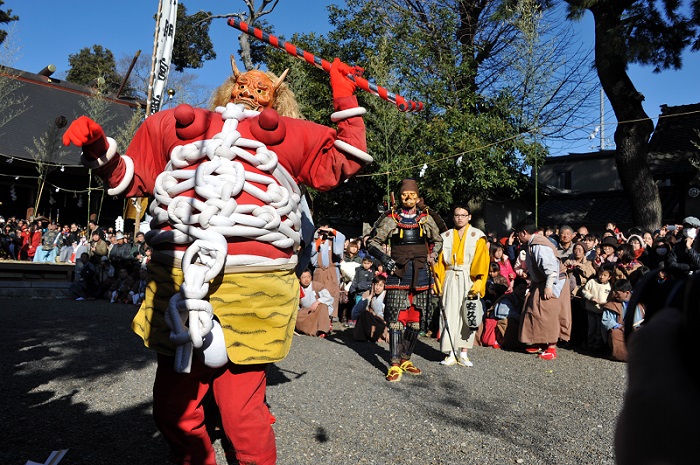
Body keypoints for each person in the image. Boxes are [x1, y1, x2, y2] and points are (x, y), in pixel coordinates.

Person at [62, 56, 371, 465]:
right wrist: (99, 148)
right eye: (244, 83)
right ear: (230, 85)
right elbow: (132, 178)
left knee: (242, 414)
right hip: (178, 281)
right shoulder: (177, 125)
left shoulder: (293, 136)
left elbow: (345, 159)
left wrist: (343, 92)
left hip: (255, 289)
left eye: (263, 88)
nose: (250, 92)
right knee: (173, 410)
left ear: (277, 95)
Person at [367, 178, 443, 382]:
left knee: (416, 321)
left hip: (421, 271)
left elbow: (438, 240)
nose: (408, 198)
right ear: (399, 197)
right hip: (398, 271)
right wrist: (384, 258)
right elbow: (372, 242)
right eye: (404, 195)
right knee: (396, 320)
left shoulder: (426, 219)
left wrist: (432, 255)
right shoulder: (391, 219)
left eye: (412, 195)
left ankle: (406, 359)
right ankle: (393, 363)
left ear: (418, 197)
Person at [433, 205, 489, 367]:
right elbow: (440, 263)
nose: (460, 218)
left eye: (463, 215)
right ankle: (450, 352)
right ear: (453, 217)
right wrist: (438, 283)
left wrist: (478, 284)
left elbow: (482, 262)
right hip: (450, 276)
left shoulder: (477, 236)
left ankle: (463, 352)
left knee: (468, 313)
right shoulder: (445, 236)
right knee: (449, 314)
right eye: (457, 215)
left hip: (468, 277)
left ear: (469, 217)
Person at [515, 222, 572, 360]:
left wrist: (548, 286)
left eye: (518, 235)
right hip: (542, 281)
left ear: (523, 233)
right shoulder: (533, 244)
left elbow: (550, 267)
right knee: (534, 310)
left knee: (548, 312)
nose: (517, 238)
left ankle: (551, 347)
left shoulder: (539, 245)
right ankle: (540, 341)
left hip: (553, 281)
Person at [601, 279, 644, 362]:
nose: (615, 295)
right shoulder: (612, 303)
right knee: (615, 334)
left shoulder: (640, 299)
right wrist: (619, 326)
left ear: (627, 293)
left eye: (618, 293)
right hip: (620, 329)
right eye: (615, 292)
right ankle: (622, 356)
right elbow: (606, 319)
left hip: (637, 328)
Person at [310, 221, 346, 321]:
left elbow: (341, 238)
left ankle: (331, 316)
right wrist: (320, 239)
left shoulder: (334, 238)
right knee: (318, 293)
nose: (324, 231)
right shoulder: (317, 240)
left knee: (332, 293)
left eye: (326, 229)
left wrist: (331, 231)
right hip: (319, 270)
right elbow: (312, 251)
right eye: (322, 229)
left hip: (331, 270)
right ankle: (318, 315)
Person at [580, 267, 612, 352]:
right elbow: (584, 291)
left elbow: (610, 298)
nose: (601, 277)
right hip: (591, 309)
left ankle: (597, 346)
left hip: (601, 311)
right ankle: (590, 344)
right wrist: (591, 297)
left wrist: (605, 303)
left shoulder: (609, 287)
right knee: (591, 328)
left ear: (609, 277)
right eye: (600, 274)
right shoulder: (592, 282)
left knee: (599, 330)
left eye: (605, 275)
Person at [296, 268, 333, 337]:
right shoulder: (297, 288)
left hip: (317, 310)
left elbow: (328, 297)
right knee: (296, 315)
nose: (306, 279)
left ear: (311, 277)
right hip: (306, 311)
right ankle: (310, 329)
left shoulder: (317, 285)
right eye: (304, 277)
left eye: (308, 277)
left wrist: (317, 302)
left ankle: (322, 330)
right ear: (299, 279)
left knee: (323, 306)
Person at [351, 275, 387, 342]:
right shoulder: (367, 294)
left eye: (380, 285)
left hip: (381, 323)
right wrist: (370, 297)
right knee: (364, 314)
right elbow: (354, 313)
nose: (377, 288)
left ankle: (378, 335)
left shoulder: (386, 296)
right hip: (369, 321)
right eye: (376, 284)